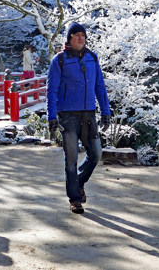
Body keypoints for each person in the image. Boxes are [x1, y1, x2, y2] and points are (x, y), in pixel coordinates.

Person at [46, 22, 112, 214]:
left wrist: (105, 111)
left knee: (96, 153)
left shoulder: (92, 58)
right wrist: (51, 116)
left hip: (89, 114)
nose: (81, 38)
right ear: (69, 38)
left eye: (83, 35)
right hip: (67, 115)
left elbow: (100, 86)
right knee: (72, 158)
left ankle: (78, 182)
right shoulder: (59, 60)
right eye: (76, 35)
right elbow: (51, 90)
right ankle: (74, 198)